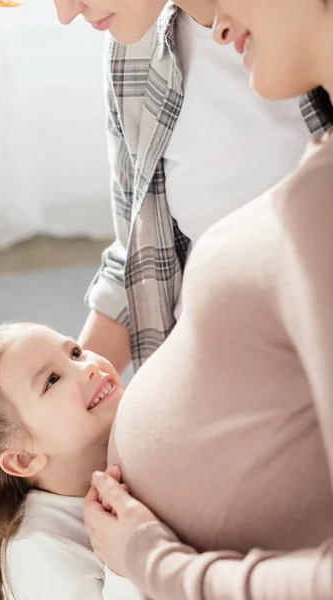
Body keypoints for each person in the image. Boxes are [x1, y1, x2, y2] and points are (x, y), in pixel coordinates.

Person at [83, 1, 333, 599]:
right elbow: (138, 252)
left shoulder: (317, 202)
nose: (220, 23)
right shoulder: (135, 54)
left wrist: (155, 562)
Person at [52, 0, 318, 374]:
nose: (66, 15)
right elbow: (135, 252)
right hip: (208, 364)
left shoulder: (308, 24)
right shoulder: (131, 55)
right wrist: (62, 387)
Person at [0, 323, 143, 600]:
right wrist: (126, 563)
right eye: (52, 381)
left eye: (76, 353)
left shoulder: (133, 450)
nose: (88, 367)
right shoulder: (38, 550)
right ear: (23, 459)